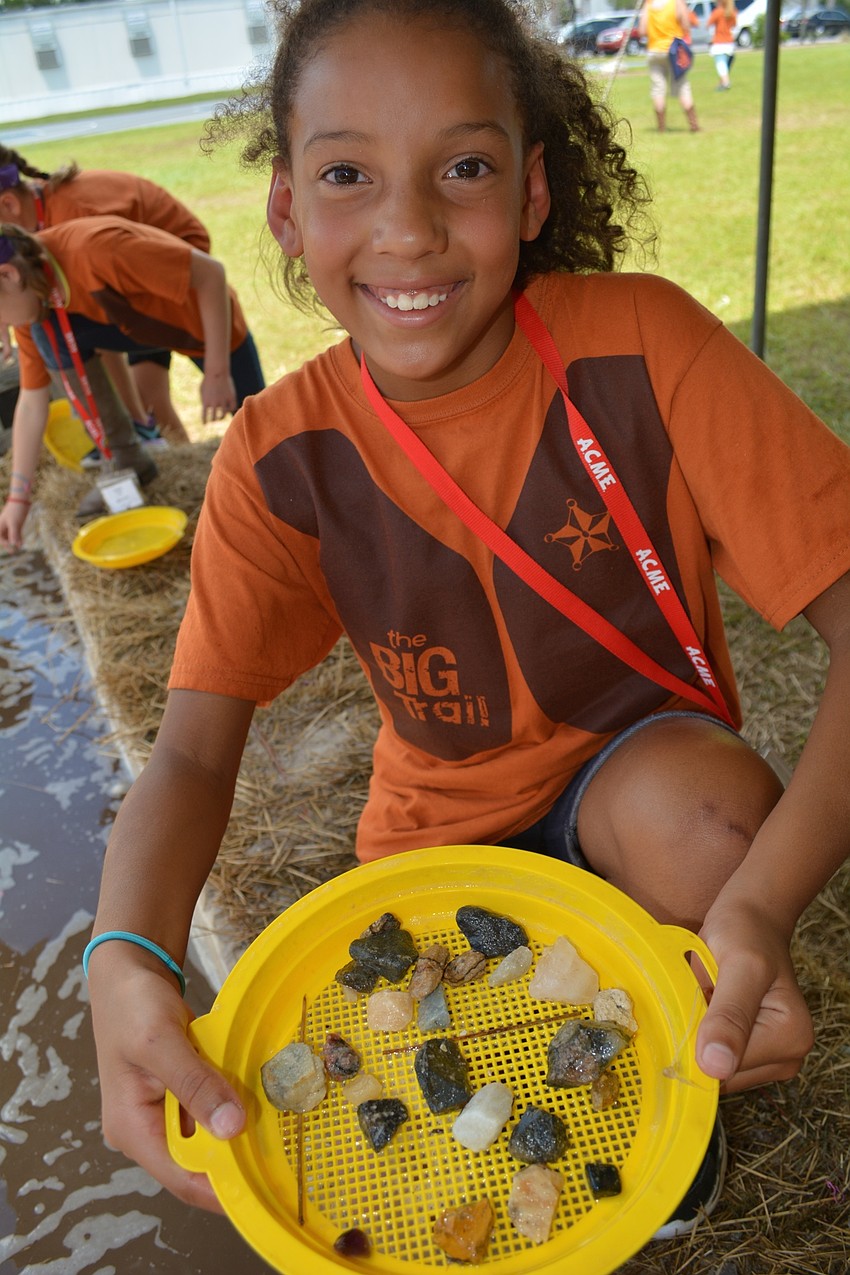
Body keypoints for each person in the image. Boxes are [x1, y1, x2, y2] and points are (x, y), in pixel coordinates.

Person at [84, 0, 850, 1246]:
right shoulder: (280, 457)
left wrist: (756, 909)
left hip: (636, 778)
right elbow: (189, 752)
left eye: (465, 168)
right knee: (415, 1148)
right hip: (434, 840)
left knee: (708, 834)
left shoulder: (643, 347)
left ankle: (677, 1132)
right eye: (346, 174)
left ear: (532, 193)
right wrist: (125, 955)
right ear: (284, 208)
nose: (408, 228)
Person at [0, 215, 264, 546]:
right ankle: (125, 458)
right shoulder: (34, 300)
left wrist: (217, 372)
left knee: (263, 435)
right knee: (46, 333)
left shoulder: (97, 250)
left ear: (8, 274)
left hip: (203, 326)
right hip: (133, 329)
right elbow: (30, 403)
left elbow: (211, 274)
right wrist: (17, 499)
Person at [0, 147, 215, 442]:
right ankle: (160, 446)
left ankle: (146, 435)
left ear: (9, 205)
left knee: (148, 396)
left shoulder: (73, 221)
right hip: (137, 281)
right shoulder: (33, 219)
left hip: (170, 276)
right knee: (148, 396)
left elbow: (101, 309)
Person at [639, 0, 701, 131]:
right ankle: (693, 125)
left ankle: (661, 127)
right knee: (682, 86)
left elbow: (642, 31)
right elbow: (686, 25)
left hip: (654, 50)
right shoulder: (677, 2)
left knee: (658, 89)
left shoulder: (649, 4)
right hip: (674, 50)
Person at [708, 0, 737, 89]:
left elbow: (709, 23)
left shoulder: (717, 12)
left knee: (720, 64)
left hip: (719, 42)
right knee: (724, 65)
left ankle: (725, 82)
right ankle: (722, 82)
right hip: (729, 42)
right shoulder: (732, 11)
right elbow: (734, 25)